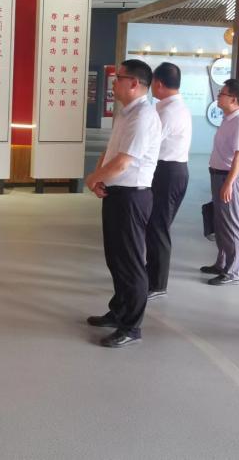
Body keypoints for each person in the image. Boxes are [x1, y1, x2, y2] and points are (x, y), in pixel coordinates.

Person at [84, 59, 161, 348]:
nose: (114, 82)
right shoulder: (126, 113)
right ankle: (118, 311)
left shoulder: (143, 117)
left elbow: (123, 162)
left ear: (134, 83)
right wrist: (99, 178)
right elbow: (110, 152)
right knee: (115, 258)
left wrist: (93, 179)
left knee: (130, 262)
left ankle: (131, 326)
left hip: (132, 196)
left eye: (119, 78)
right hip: (117, 193)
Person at [146, 62, 192, 299]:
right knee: (155, 226)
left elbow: (148, 143)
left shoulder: (168, 111)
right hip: (170, 171)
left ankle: (157, 283)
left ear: (159, 83)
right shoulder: (170, 106)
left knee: (159, 227)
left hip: (168, 172)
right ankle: (151, 274)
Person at [202, 78, 239, 286]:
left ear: (233, 99)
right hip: (219, 175)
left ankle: (232, 273)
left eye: (221, 94)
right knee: (221, 223)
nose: (218, 96)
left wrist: (229, 183)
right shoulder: (228, 119)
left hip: (230, 177)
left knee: (231, 225)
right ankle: (222, 263)